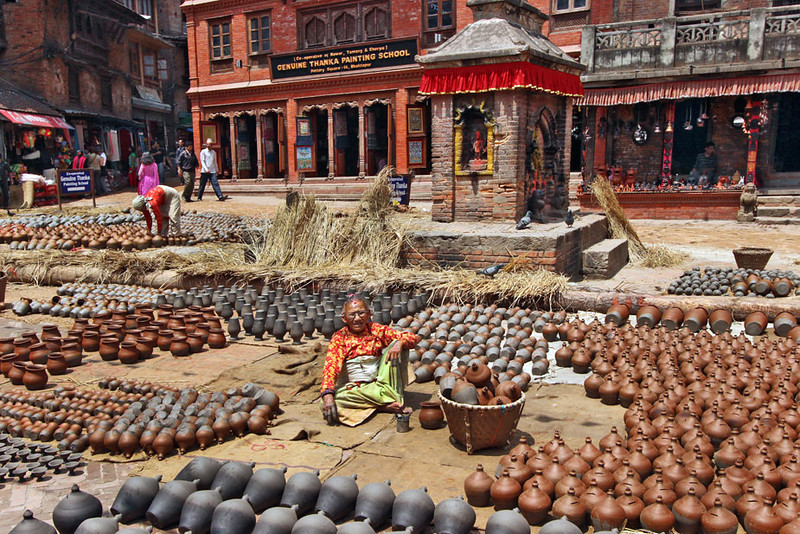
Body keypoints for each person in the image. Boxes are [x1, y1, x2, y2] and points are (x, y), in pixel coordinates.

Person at [320, 295, 421, 426]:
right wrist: (328, 395)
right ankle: (381, 406)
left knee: (399, 344)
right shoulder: (340, 338)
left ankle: (380, 401)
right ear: (344, 318)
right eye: (352, 315)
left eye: (361, 313)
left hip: (380, 384)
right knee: (326, 402)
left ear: (369, 314)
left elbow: (412, 337)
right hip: (354, 388)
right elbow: (331, 367)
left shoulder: (376, 330)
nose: (357, 318)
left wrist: (399, 343)